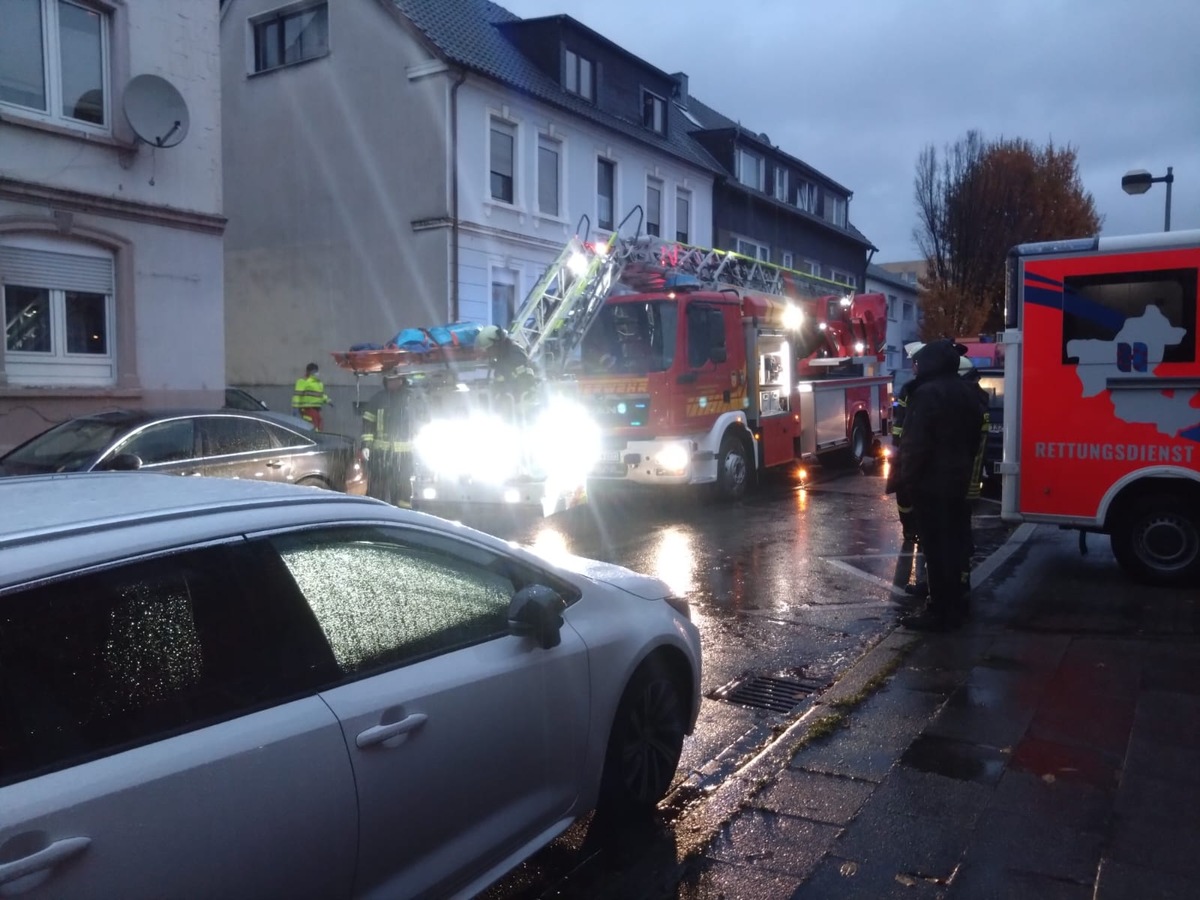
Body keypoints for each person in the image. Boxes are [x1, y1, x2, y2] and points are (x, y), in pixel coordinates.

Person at [896, 339, 986, 631]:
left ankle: (939, 612)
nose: (915, 368)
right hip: (957, 481)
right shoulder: (967, 392)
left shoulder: (926, 395)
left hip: (930, 486)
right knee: (954, 544)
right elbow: (974, 440)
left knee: (935, 549)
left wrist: (906, 480)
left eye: (919, 363)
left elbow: (915, 445)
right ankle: (954, 604)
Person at [885, 341, 928, 595]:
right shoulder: (911, 388)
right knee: (905, 497)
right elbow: (899, 422)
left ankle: (912, 531)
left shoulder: (914, 389)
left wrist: (899, 447)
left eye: (913, 362)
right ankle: (912, 530)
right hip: (907, 454)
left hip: (908, 454)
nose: (911, 366)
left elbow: (900, 426)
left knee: (908, 494)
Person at [959, 356, 992, 587]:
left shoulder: (969, 401)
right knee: (960, 531)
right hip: (969, 476)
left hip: (962, 478)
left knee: (956, 534)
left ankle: (958, 583)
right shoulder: (978, 397)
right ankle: (960, 581)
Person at [361, 368, 414, 506]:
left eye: (395, 380)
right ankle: (377, 512)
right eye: (389, 380)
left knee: (402, 487)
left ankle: (403, 515)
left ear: (401, 380)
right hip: (380, 453)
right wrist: (366, 446)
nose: (392, 383)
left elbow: (421, 421)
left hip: (404, 455)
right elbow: (368, 423)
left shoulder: (410, 399)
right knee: (377, 487)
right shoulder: (378, 399)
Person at [476, 325, 539, 413]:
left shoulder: (515, 353)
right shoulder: (501, 355)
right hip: (509, 402)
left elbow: (522, 382)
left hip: (523, 403)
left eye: (489, 349)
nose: (488, 353)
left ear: (497, 344)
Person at [291, 363, 331, 430]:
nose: (316, 373)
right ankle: (315, 438)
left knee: (319, 423)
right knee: (313, 425)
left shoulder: (318, 383)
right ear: (309, 372)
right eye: (314, 371)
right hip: (307, 408)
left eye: (316, 371)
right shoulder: (303, 381)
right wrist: (295, 407)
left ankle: (317, 438)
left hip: (316, 409)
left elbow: (321, 395)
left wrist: (327, 400)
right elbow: (297, 395)